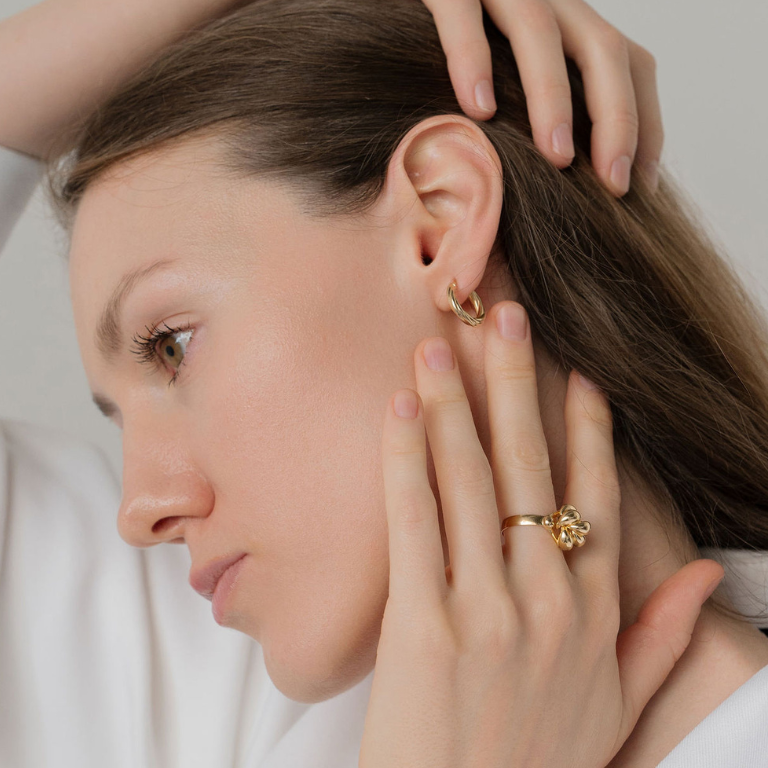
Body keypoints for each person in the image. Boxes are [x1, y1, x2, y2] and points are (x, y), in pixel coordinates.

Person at [2, 0, 767, 766]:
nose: (140, 511)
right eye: (119, 418)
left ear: (441, 223)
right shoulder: (226, 682)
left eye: (171, 348)